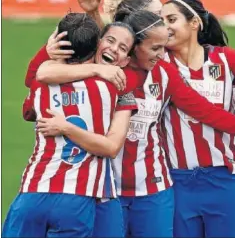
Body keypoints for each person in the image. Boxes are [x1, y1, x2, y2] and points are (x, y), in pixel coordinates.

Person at [27, 10, 235, 237]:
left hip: (153, 190)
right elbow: (34, 90)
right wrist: (47, 52)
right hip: (108, 190)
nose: (162, 54)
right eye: (156, 48)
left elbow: (201, 109)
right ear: (134, 48)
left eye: (163, 47)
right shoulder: (100, 74)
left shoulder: (163, 73)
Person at [2, 13, 137, 238]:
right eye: (109, 41)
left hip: (34, 191)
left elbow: (36, 86)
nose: (113, 49)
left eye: (122, 48)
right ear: (97, 45)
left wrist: (48, 53)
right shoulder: (112, 89)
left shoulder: (40, 84)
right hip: (78, 196)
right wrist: (98, 69)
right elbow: (111, 146)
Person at [160, 0, 235, 237]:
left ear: (194, 23)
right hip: (178, 180)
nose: (165, 27)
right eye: (161, 21)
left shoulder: (225, 58)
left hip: (225, 178)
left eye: (171, 19)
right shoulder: (159, 62)